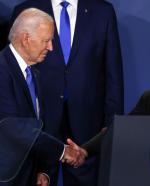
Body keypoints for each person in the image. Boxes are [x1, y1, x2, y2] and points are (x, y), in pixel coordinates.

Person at [11, 0, 124, 185]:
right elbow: (16, 69)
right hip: (41, 119)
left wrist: (112, 121)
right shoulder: (25, 10)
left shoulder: (102, 11)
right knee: (40, 178)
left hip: (88, 120)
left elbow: (113, 70)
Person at [0, 8, 87, 186]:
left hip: (28, 176)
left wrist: (43, 170)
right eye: (46, 41)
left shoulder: (34, 75)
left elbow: (39, 127)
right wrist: (64, 151)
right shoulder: (1, 70)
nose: (51, 47)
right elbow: (13, 127)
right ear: (25, 39)